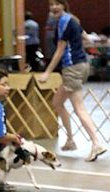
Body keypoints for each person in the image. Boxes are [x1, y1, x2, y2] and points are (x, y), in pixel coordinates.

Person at [39, 0, 107, 162]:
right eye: (51, 5)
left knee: (79, 108)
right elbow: (86, 39)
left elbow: (60, 49)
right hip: (82, 65)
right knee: (57, 102)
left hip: (72, 67)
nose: (53, 7)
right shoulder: (73, 20)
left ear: (64, 5)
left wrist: (47, 72)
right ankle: (70, 140)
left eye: (57, 4)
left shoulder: (63, 21)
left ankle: (97, 143)